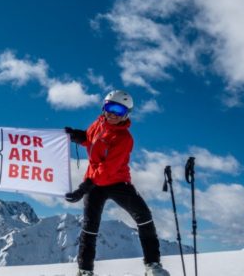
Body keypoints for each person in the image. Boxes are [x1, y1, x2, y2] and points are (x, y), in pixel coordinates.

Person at [64, 90, 170, 276]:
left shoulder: (124, 138)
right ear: (103, 107)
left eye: (118, 110)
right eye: (109, 107)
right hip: (93, 182)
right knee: (90, 227)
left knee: (144, 217)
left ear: (126, 113)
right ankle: (85, 270)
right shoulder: (98, 123)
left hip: (117, 182)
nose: (112, 114)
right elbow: (90, 138)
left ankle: (152, 265)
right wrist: (75, 135)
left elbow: (107, 169)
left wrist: (84, 188)